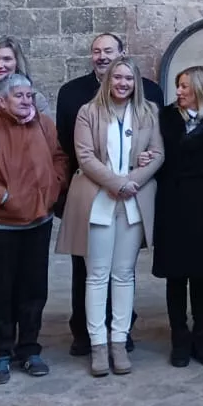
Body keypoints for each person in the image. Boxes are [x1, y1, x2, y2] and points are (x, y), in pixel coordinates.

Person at [0, 73, 70, 385]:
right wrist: (2, 196)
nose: (25, 100)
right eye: (18, 96)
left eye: (29, 95)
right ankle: (1, 354)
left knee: (33, 290)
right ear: (2, 100)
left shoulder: (45, 125)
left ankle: (30, 349)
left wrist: (52, 188)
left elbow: (59, 159)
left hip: (37, 221)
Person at [54, 33, 162, 358]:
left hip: (132, 200)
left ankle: (120, 338)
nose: (123, 82)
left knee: (124, 274)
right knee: (95, 275)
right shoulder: (87, 110)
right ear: (108, 77)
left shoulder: (149, 110)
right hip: (97, 200)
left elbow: (157, 153)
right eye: (117, 76)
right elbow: (83, 156)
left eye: (128, 77)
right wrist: (116, 183)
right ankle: (96, 341)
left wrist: (133, 180)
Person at [152, 66, 203, 368]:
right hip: (173, 204)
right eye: (178, 86)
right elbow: (157, 153)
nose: (180, 92)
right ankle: (179, 337)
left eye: (185, 86)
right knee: (175, 275)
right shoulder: (167, 117)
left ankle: (202, 336)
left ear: (200, 88)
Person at [0, 37, 51, 124]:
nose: (0, 65)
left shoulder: (35, 100)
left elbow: (48, 134)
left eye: (7, 59)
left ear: (17, 63)